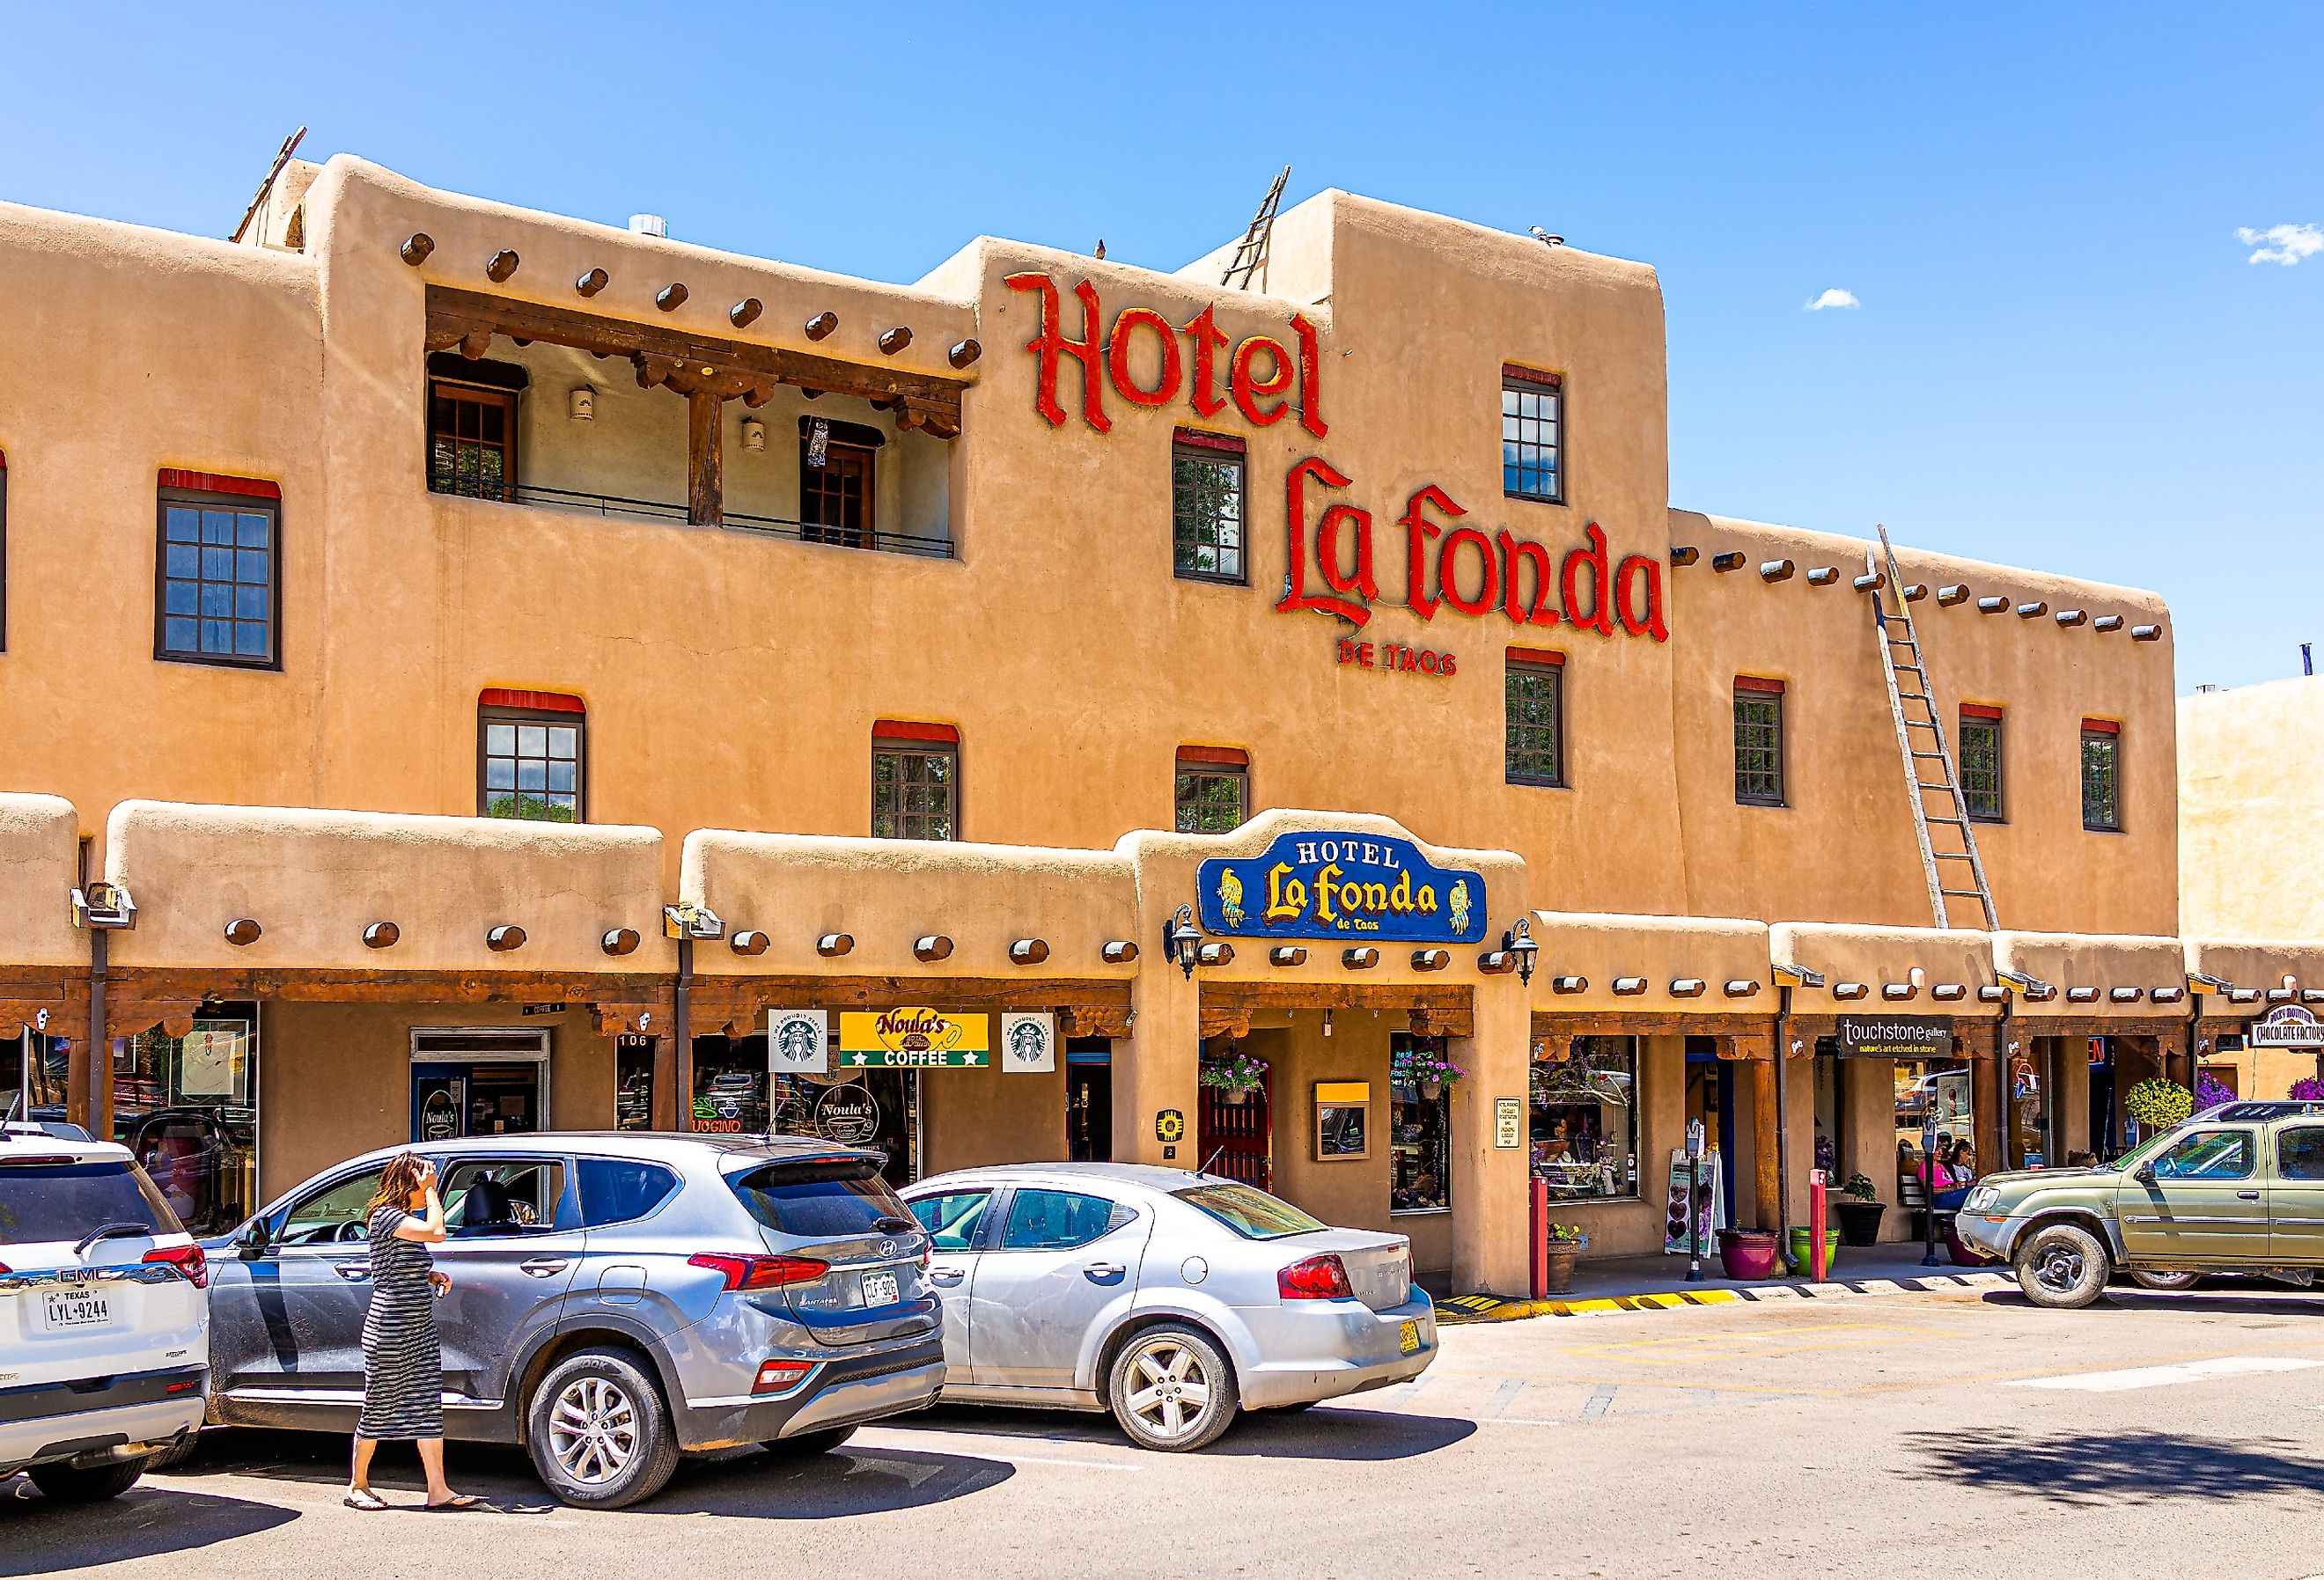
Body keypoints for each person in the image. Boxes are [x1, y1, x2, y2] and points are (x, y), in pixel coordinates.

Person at [345, 1152, 477, 1511]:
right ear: (408, 1184)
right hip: (390, 1328)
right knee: (379, 1403)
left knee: (426, 1406)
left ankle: (439, 1489)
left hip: (417, 1328)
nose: (423, 1195)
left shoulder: (402, 1220)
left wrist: (429, 1275)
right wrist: (433, 1191)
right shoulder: (385, 1217)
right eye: (419, 1186)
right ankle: (357, 1485)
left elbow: (399, 1265)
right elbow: (438, 1233)